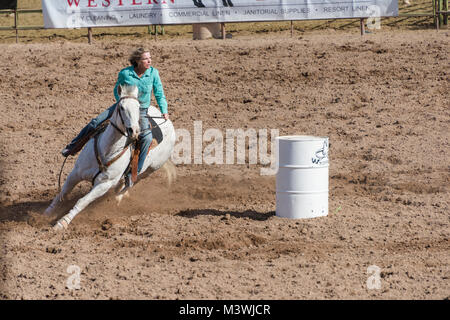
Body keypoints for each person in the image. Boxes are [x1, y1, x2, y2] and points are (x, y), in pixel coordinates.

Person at [61, 47, 169, 188]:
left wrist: (164, 110)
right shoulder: (125, 73)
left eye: (150, 58)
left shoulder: (153, 73)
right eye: (146, 59)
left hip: (141, 110)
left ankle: (133, 174)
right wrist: (121, 101)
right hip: (122, 107)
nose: (149, 61)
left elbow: (159, 93)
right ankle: (73, 146)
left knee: (147, 138)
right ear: (137, 61)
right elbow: (116, 88)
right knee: (95, 122)